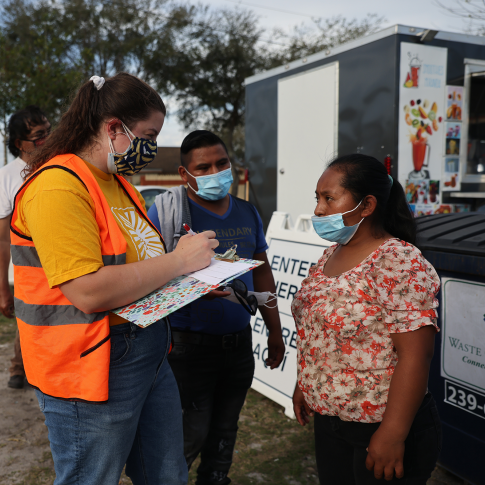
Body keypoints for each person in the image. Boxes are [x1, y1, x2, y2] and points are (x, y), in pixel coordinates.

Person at [10, 73, 218, 485]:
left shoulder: (117, 182)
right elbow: (88, 291)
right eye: (148, 134)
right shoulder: (57, 187)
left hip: (145, 346)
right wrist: (179, 263)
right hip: (89, 360)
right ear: (112, 128)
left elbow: (138, 268)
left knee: (167, 475)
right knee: (92, 477)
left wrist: (197, 278)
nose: (152, 146)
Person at [291, 154, 441, 484]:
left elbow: (416, 355)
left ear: (366, 205)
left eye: (329, 198)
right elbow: (319, 334)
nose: (318, 209)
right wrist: (305, 384)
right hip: (331, 422)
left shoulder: (397, 260)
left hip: (381, 425)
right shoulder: (331, 254)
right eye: (317, 198)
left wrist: (393, 433)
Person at [147, 130, 285, 485]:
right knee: (186, 437)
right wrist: (190, 288)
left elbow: (262, 272)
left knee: (225, 433)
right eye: (203, 167)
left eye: (221, 163)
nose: (215, 172)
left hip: (238, 346)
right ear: (184, 174)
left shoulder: (248, 212)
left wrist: (274, 331)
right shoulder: (166, 213)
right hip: (187, 350)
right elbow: (146, 276)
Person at [0, 105, 50, 389]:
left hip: (70, 265)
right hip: (31, 272)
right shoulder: (6, 177)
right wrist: (3, 289)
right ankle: (19, 368)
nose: (48, 140)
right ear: (19, 144)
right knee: (30, 323)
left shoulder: (64, 165)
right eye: (39, 136)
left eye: (50, 131)